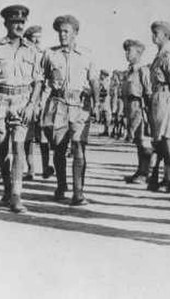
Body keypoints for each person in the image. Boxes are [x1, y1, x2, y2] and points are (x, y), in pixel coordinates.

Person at [0, 5, 43, 213]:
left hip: (22, 102)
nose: (19, 25)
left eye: (22, 22)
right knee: (2, 148)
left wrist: (32, 105)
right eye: (15, 22)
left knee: (18, 148)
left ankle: (16, 194)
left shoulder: (32, 49)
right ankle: (7, 187)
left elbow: (38, 81)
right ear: (6, 23)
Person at [41, 15, 97, 205]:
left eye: (66, 31)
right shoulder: (50, 54)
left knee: (79, 146)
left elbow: (93, 81)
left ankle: (78, 192)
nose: (62, 35)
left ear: (75, 33)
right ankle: (61, 185)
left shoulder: (87, 54)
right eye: (60, 31)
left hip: (79, 105)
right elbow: (42, 81)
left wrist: (96, 103)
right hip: (58, 105)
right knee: (59, 148)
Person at [146, 21, 170, 192]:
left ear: (165, 36)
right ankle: (164, 177)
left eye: (156, 33)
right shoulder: (158, 56)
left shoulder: (167, 57)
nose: (153, 36)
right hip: (157, 98)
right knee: (159, 139)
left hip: (165, 98)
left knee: (167, 138)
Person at [22, 25, 54, 181]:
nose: (38, 40)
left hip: (41, 100)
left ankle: (46, 166)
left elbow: (48, 80)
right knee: (27, 138)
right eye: (35, 36)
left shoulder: (44, 54)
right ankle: (31, 169)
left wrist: (43, 101)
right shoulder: (23, 53)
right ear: (28, 37)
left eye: (39, 37)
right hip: (26, 99)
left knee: (43, 138)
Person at [121, 39, 153, 184]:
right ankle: (140, 171)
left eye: (130, 50)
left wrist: (148, 112)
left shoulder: (142, 70)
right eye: (126, 50)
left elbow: (148, 91)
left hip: (140, 107)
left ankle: (145, 173)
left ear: (139, 52)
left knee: (144, 141)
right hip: (130, 108)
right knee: (138, 142)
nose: (127, 53)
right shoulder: (129, 71)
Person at [98, 69, 112, 136]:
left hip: (105, 100)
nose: (100, 75)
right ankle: (105, 130)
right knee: (104, 115)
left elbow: (104, 91)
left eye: (101, 74)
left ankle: (107, 131)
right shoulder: (103, 81)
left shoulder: (105, 82)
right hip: (103, 100)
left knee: (107, 115)